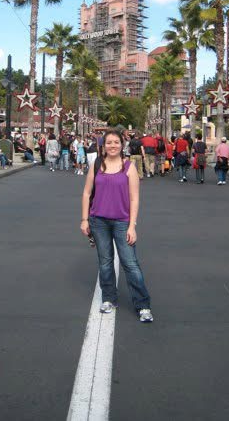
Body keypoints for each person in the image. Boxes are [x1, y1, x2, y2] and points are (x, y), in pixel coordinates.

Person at [80, 128, 153, 323]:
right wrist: (85, 219)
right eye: (109, 142)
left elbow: (134, 198)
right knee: (105, 262)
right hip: (98, 221)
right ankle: (109, 299)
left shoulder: (129, 167)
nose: (112, 146)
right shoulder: (96, 165)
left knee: (130, 264)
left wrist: (132, 226)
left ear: (122, 145)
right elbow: (87, 193)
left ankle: (143, 304)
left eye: (116, 142)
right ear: (104, 145)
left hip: (122, 222)